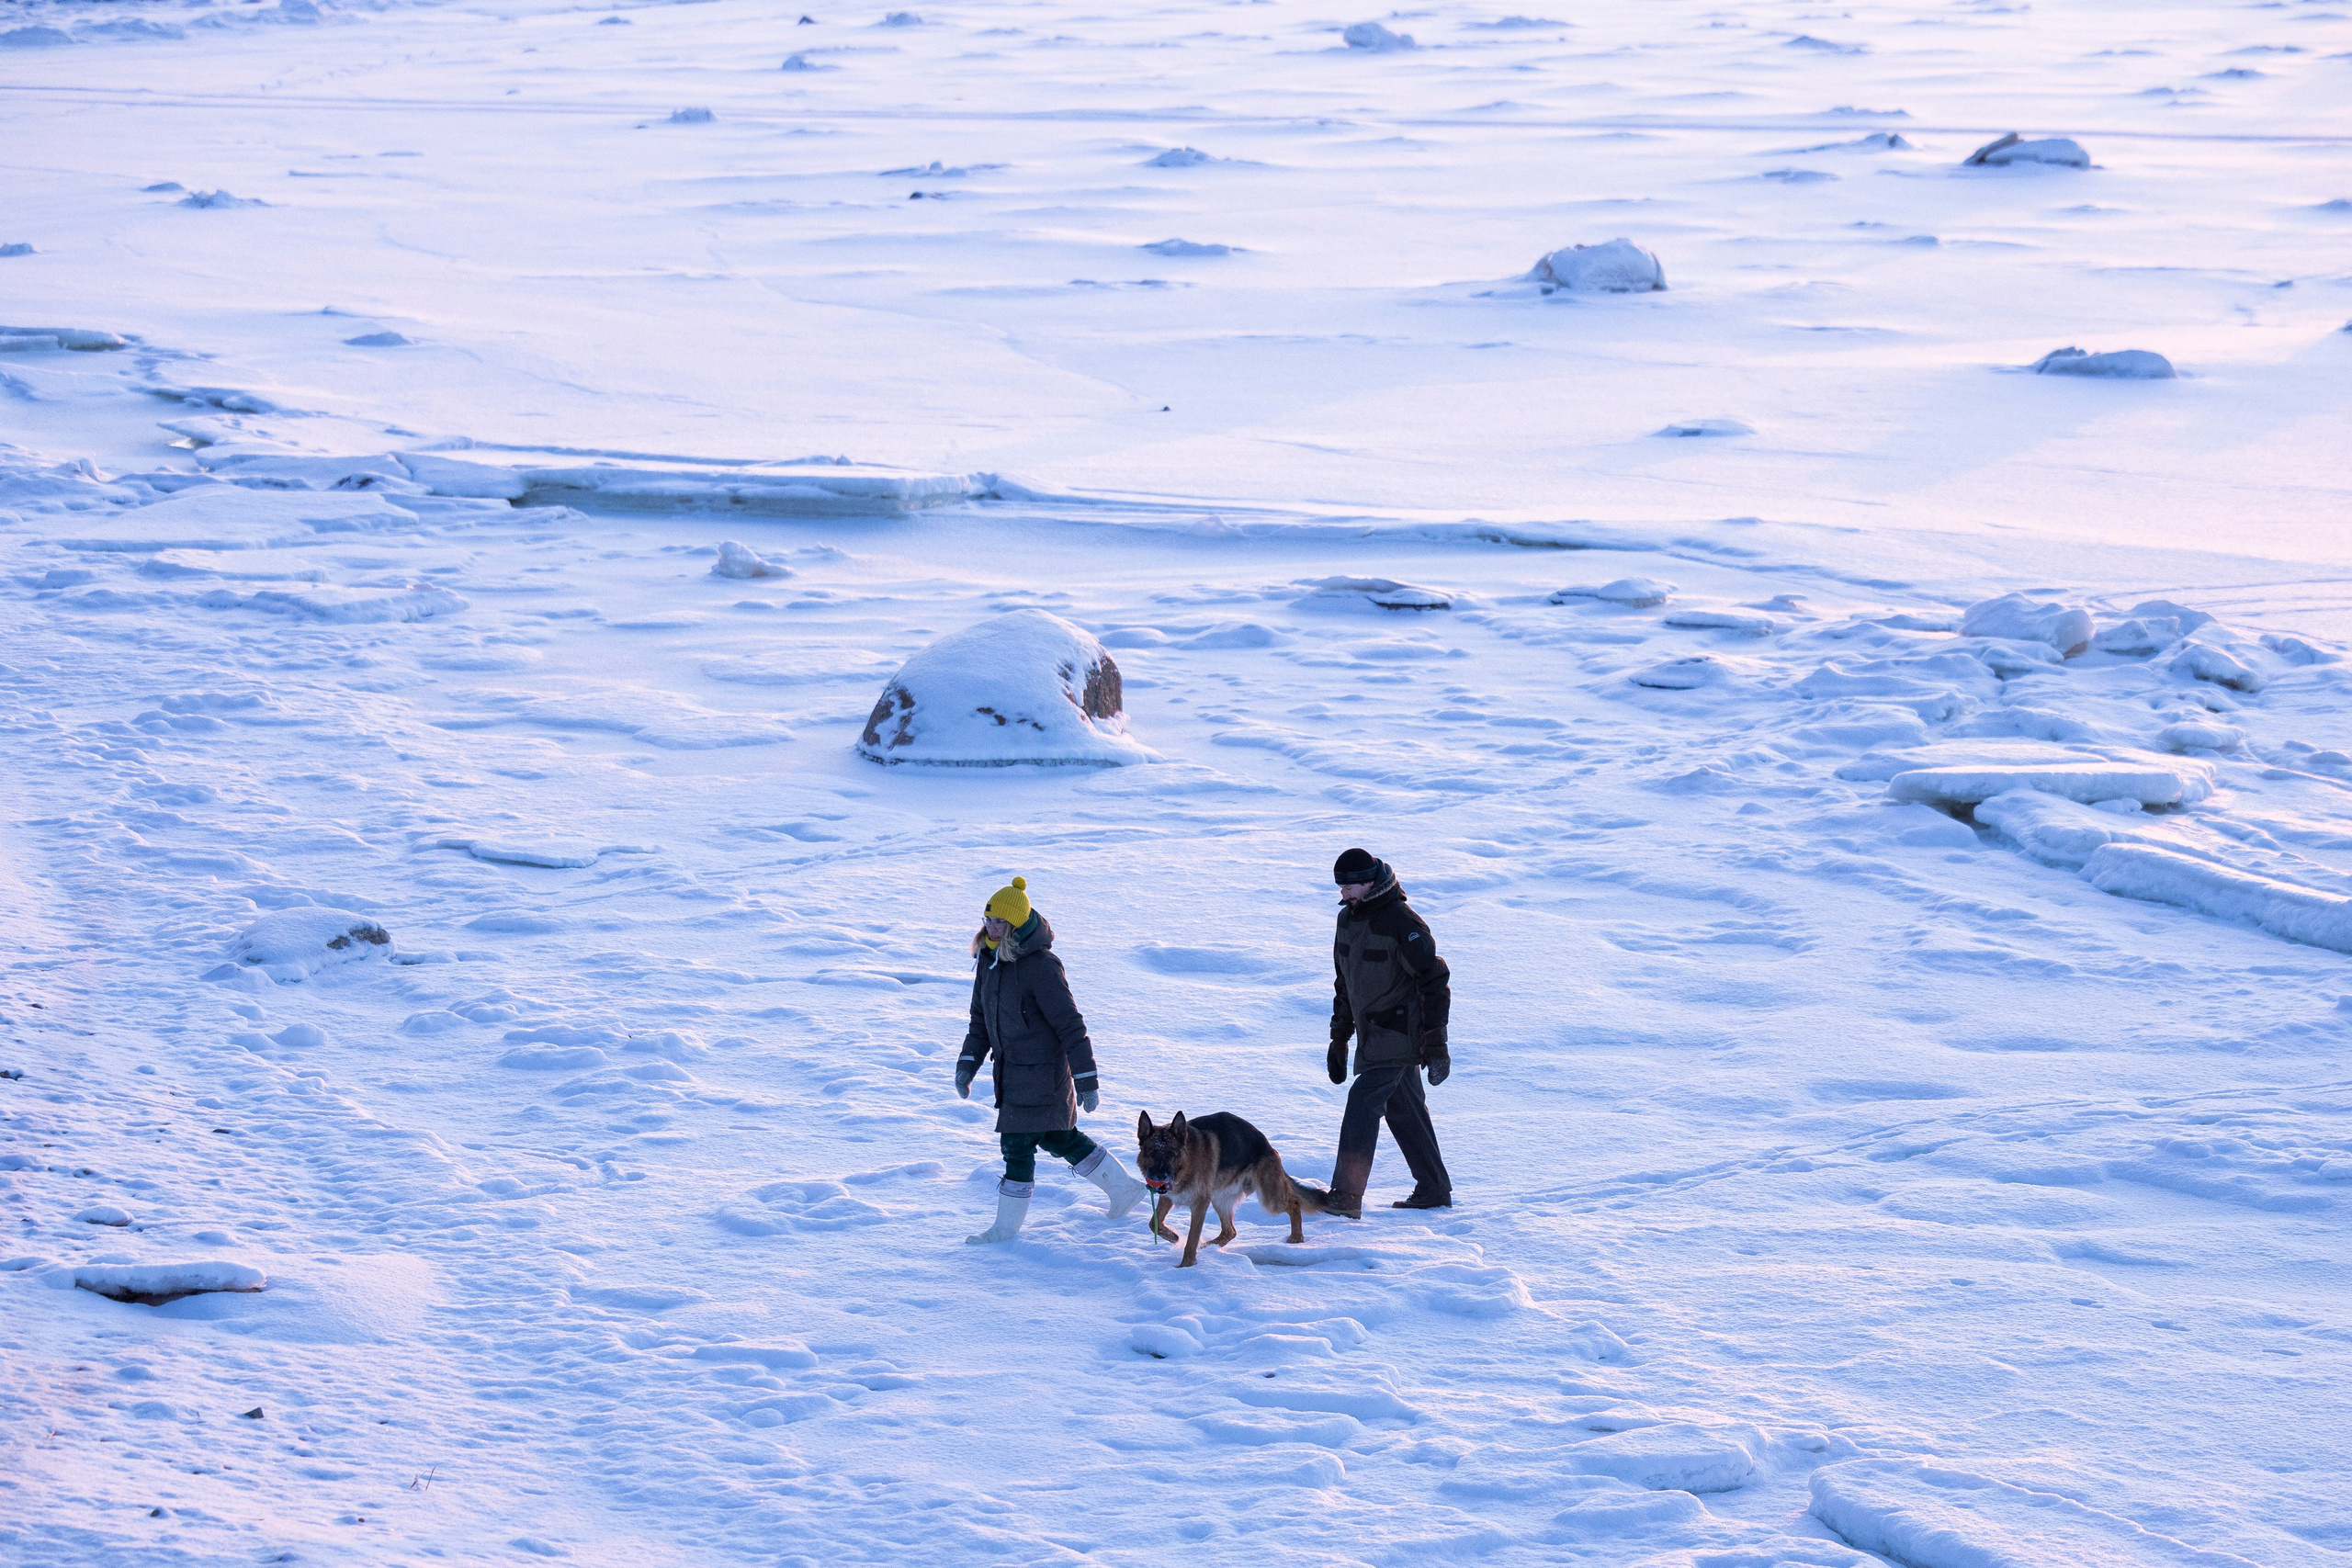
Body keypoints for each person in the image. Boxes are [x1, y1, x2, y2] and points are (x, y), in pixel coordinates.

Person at [955, 876, 1147, 1244]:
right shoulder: (989, 960)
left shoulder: (1041, 966)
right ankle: (1124, 1191)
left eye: (997, 922)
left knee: (1017, 1146)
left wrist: (1087, 1081)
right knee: (1061, 1139)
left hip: (1045, 1077)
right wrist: (967, 1065)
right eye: (986, 920)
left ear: (1015, 925)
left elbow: (1071, 1026)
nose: (989, 928)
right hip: (1011, 1076)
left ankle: (1005, 1231)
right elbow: (980, 1021)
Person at [1325, 847, 1453, 1214]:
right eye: (1340, 888)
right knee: (1405, 1109)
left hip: (1400, 1033)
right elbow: (1344, 983)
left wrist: (1436, 1043)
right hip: (1371, 1036)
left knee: (1363, 1103)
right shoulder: (1348, 921)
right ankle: (1434, 1188)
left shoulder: (1401, 921)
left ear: (1369, 882)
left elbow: (1434, 979)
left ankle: (1346, 1196)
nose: (1343, 895)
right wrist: (1339, 1038)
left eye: (1349, 887)